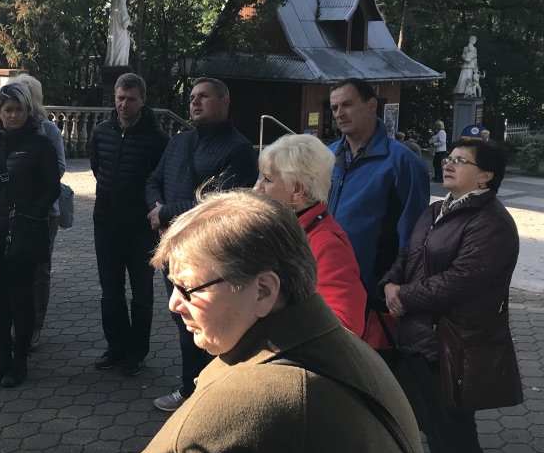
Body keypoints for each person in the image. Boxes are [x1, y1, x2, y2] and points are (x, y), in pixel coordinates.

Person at [124, 190, 427, 453]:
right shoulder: (344, 346)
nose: (174, 304)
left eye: (188, 288)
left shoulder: (252, 404)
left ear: (263, 291)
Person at [381, 139, 519, 453]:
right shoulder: (436, 210)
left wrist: (403, 296)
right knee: (435, 432)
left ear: (485, 176)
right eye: (449, 157)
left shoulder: (491, 222)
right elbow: (410, 253)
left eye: (461, 160)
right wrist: (390, 283)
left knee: (457, 437)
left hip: (454, 343)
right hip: (420, 339)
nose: (449, 163)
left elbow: (462, 280)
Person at [145, 77, 257, 411]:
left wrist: (166, 213)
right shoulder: (179, 141)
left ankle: (212, 394)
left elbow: (220, 203)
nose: (194, 101)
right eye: (192, 96)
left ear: (224, 102)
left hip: (209, 253)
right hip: (173, 248)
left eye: (204, 96)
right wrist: (156, 209)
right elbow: (153, 179)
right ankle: (191, 389)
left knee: (209, 321)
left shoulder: (239, 149)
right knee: (184, 321)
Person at [0, 83, 59, 388]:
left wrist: (32, 214)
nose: (14, 115)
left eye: (19, 109)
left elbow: (51, 187)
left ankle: (20, 360)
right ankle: (3, 355)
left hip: (24, 232)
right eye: (8, 109)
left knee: (22, 296)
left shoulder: (40, 144)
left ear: (28, 110)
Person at [327, 78, 429, 344]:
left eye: (347, 105)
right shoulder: (325, 157)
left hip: (373, 293)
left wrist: (396, 284)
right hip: (326, 283)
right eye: (334, 108)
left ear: (371, 105)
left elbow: (414, 234)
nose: (339, 113)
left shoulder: (403, 162)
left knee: (369, 364)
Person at [90, 72, 169, 376]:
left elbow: (160, 181)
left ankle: (137, 353)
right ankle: (116, 348)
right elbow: (98, 168)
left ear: (143, 101)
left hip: (141, 230)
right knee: (110, 292)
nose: (124, 104)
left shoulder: (158, 139)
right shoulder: (101, 132)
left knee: (141, 294)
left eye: (131, 99)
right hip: (105, 224)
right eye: (120, 98)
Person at [254, 133, 366, 336]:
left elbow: (344, 327)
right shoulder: (287, 228)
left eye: (267, 180)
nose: (257, 188)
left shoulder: (326, 243)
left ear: (297, 189)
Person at [13, 73, 64, 349]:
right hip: (11, 210)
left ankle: (35, 324)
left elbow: (60, 168)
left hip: (45, 211)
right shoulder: (4, 128)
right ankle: (15, 319)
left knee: (40, 270)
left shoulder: (48, 130)